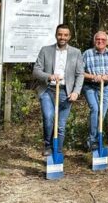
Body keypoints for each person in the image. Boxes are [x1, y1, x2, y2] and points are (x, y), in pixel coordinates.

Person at [32, 23, 84, 156]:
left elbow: (80, 74)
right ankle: (48, 146)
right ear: (56, 35)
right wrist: (49, 76)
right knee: (48, 118)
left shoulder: (76, 52)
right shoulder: (45, 50)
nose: (62, 37)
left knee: (60, 125)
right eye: (60, 34)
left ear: (69, 36)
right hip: (48, 91)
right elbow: (36, 71)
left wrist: (76, 92)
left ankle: (58, 152)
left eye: (65, 35)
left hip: (65, 93)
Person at [81, 30, 108, 151]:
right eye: (98, 39)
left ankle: (97, 138)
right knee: (95, 109)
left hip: (105, 87)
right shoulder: (87, 53)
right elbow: (80, 72)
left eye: (103, 40)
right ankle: (92, 140)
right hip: (90, 86)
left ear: (107, 42)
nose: (100, 41)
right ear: (94, 40)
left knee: (102, 112)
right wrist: (93, 77)